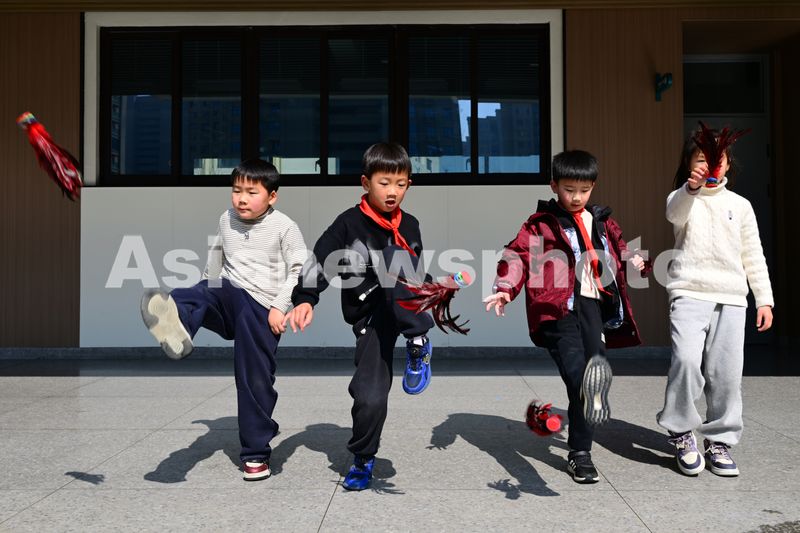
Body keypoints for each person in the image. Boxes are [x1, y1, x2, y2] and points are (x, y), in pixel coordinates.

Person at [484, 150, 647, 484]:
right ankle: (584, 434)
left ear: (593, 187)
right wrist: (505, 287)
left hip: (593, 308)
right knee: (580, 376)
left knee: (588, 382)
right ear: (554, 186)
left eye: (584, 190)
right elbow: (517, 256)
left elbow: (620, 248)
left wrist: (634, 260)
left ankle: (580, 453)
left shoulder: (602, 221)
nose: (576, 197)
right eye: (569, 189)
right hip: (559, 309)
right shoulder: (540, 224)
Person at [139, 159, 307, 482]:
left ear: (272, 196)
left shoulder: (284, 226)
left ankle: (256, 453)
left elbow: (300, 269)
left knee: (254, 379)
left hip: (261, 309)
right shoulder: (226, 218)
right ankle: (179, 324)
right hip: (228, 297)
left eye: (251, 192)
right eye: (236, 190)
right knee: (195, 292)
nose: (241, 199)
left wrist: (280, 306)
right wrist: (202, 292)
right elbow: (214, 264)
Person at [283, 142, 434, 491]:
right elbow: (321, 259)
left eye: (401, 184)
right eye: (384, 183)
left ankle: (418, 342)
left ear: (409, 184)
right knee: (369, 396)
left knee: (395, 258)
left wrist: (431, 290)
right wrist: (305, 299)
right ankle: (363, 458)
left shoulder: (410, 225)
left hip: (405, 309)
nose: (393, 191)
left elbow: (415, 271)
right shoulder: (348, 224)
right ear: (366, 183)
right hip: (371, 317)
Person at [656, 128, 774, 477]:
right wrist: (690, 189)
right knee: (686, 361)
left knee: (726, 374)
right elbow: (674, 214)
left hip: (732, 298)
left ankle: (719, 440)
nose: (711, 165)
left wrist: (764, 299)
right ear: (689, 164)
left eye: (717, 159)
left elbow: (753, 254)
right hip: (688, 292)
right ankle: (680, 431)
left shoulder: (741, 205)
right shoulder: (681, 197)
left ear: (728, 165)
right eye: (702, 159)